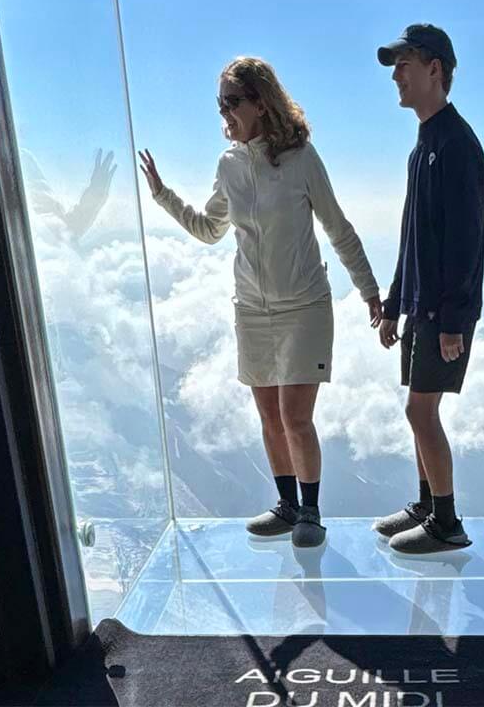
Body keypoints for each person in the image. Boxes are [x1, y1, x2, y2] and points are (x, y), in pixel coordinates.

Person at [139, 57, 381, 548]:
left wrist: (370, 290)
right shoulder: (228, 165)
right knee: (269, 416)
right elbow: (210, 230)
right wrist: (163, 195)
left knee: (295, 416)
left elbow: (338, 228)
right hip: (251, 309)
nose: (223, 113)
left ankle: (311, 511)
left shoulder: (301, 158)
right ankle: (288, 506)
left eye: (232, 102)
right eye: (220, 104)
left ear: (260, 102)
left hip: (305, 306)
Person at [371, 25, 484, 554]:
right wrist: (396, 305)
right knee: (417, 410)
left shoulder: (458, 146)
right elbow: (413, 236)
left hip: (443, 313)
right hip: (423, 308)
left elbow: (465, 244)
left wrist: (453, 322)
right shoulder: (425, 145)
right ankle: (426, 506)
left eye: (405, 65)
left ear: (435, 70)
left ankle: (447, 522)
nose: (396, 76)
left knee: (421, 412)